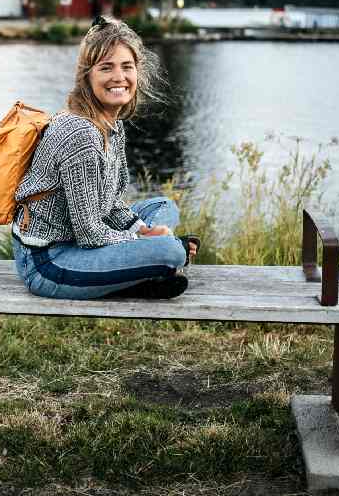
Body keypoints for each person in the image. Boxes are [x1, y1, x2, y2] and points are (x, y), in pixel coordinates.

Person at [11, 15, 200, 300]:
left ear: (137, 71)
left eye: (127, 67)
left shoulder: (113, 124)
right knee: (171, 251)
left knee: (164, 206)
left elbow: (110, 204)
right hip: (47, 260)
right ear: (87, 76)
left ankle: (141, 270)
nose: (119, 77)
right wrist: (147, 241)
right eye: (106, 68)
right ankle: (149, 269)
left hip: (80, 238)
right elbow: (89, 234)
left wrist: (144, 229)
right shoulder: (80, 134)